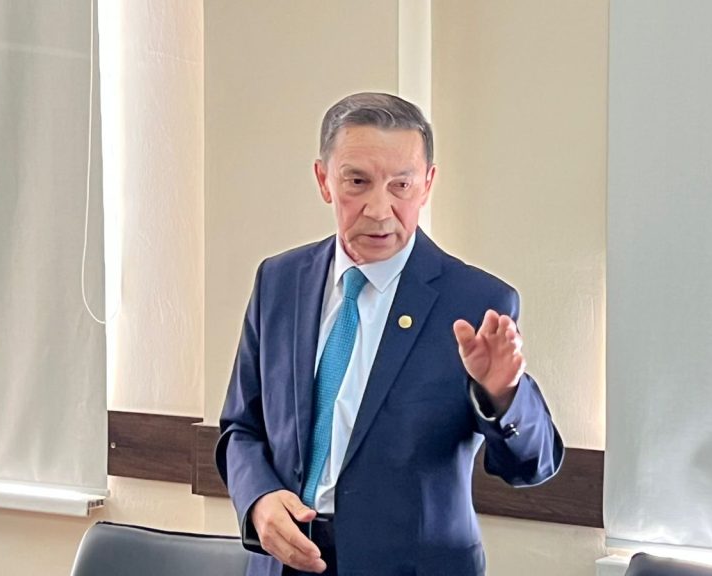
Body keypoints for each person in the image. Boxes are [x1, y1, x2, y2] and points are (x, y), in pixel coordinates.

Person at [216, 92, 563, 576]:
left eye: (401, 185)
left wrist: (503, 394)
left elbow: (532, 466)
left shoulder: (476, 301)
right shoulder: (279, 281)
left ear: (427, 185)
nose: (380, 209)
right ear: (324, 180)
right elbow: (241, 427)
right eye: (357, 182)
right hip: (286, 561)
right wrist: (258, 498)